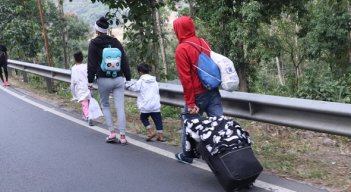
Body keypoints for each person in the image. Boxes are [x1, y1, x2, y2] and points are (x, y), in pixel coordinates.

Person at [172, 16, 224, 164]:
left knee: (189, 122)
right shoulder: (202, 42)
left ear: (179, 30)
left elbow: (186, 79)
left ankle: (187, 155)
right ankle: (226, 149)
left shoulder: (182, 49)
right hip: (212, 90)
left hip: (197, 95)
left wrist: (190, 102)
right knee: (219, 123)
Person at [87, 17, 131, 144]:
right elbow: (124, 60)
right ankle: (123, 136)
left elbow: (91, 64)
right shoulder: (115, 41)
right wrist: (128, 77)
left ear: (96, 30)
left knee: (105, 105)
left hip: (103, 79)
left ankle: (112, 133)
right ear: (106, 30)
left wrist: (90, 81)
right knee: (120, 107)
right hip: (118, 78)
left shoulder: (94, 43)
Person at [125, 63, 165, 142]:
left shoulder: (141, 81)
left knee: (143, 118)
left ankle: (151, 132)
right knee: (158, 120)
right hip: (155, 105)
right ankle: (161, 136)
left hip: (145, 105)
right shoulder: (154, 80)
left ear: (140, 72)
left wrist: (126, 85)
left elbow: (134, 88)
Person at [70, 51, 93, 126]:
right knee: (88, 103)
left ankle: (88, 116)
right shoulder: (86, 66)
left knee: (84, 104)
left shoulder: (74, 68)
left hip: (80, 88)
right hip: (88, 87)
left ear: (74, 59)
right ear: (82, 58)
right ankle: (84, 116)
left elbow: (73, 81)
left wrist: (73, 94)